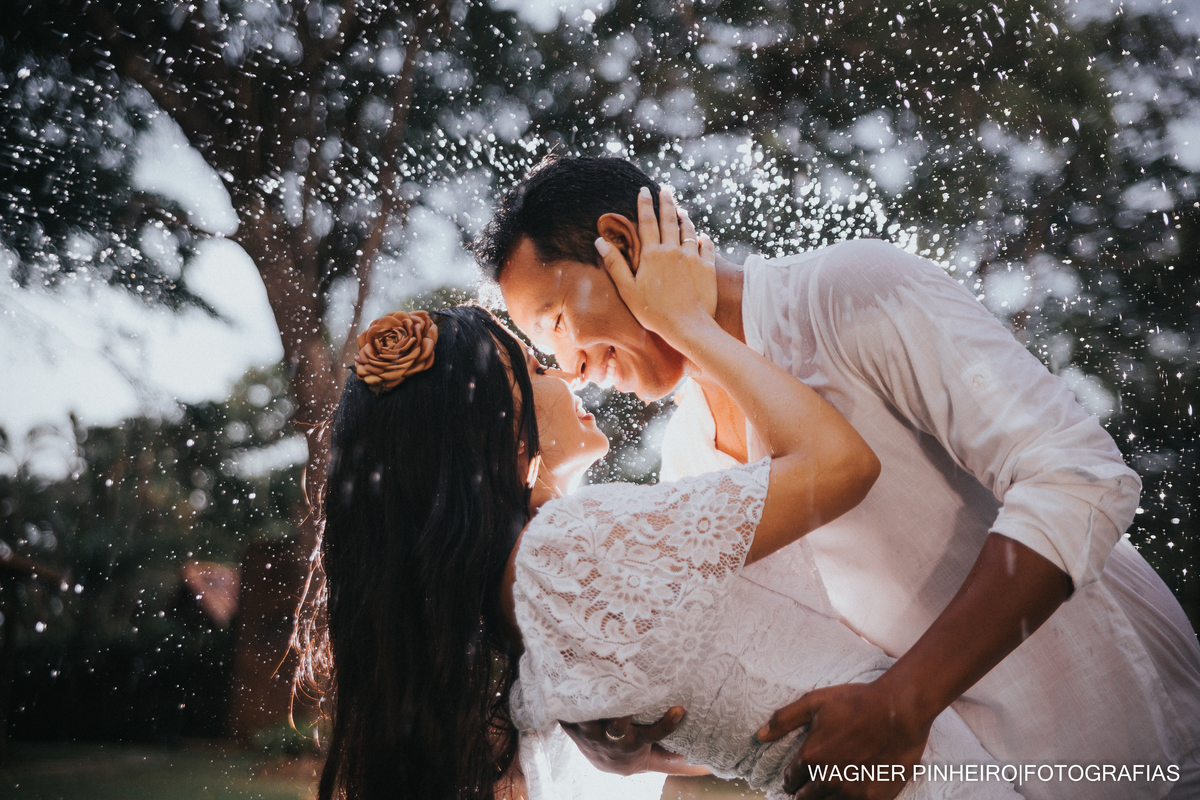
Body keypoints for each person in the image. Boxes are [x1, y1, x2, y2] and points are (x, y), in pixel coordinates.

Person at [475, 154, 1200, 799]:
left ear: (625, 244)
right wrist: (649, 752)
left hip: (1141, 742)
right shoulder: (689, 459)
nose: (570, 367)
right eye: (545, 349)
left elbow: (1078, 476)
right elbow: (821, 700)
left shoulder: (849, 294)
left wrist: (907, 699)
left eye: (559, 321)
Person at [296, 281, 1027, 799]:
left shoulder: (524, 602)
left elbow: (741, 723)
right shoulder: (566, 553)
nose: (572, 375)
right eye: (541, 367)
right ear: (499, 428)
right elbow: (841, 466)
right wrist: (690, 323)